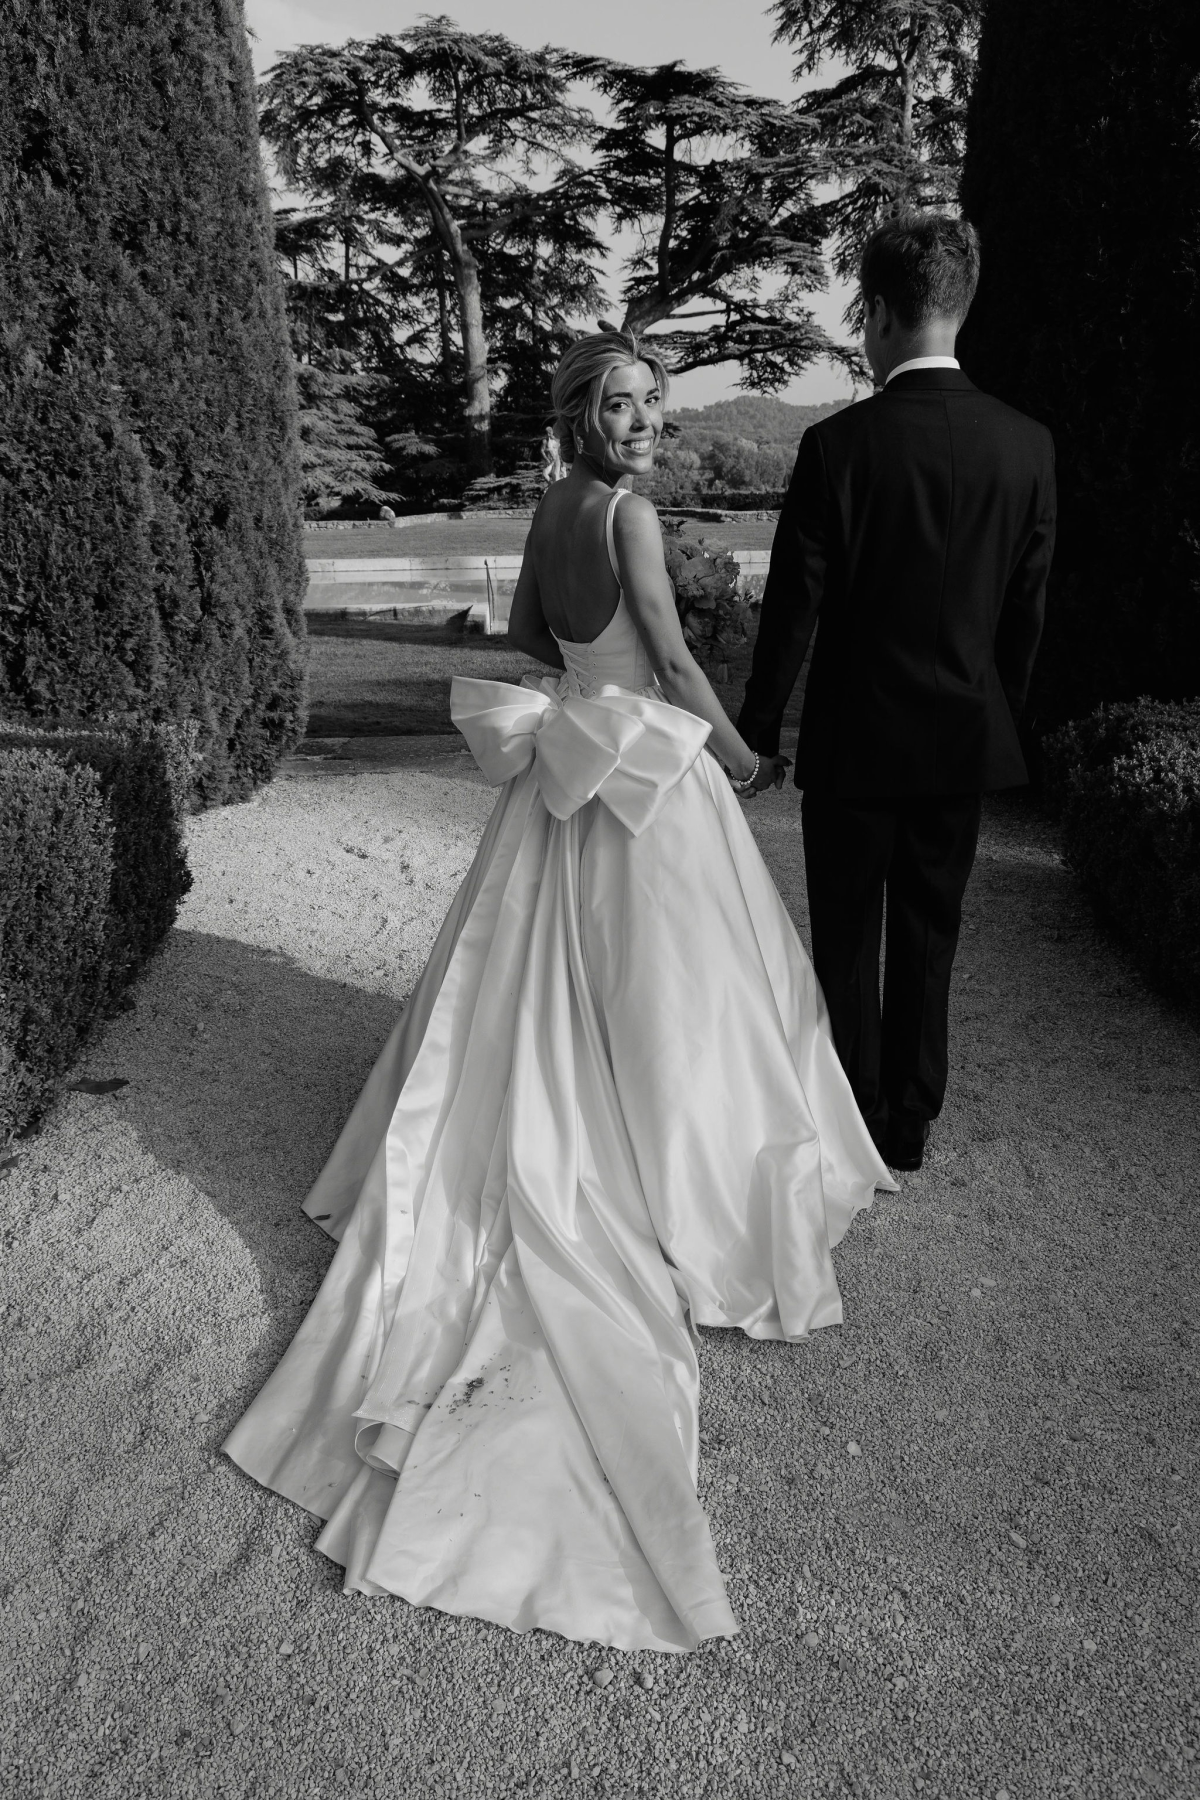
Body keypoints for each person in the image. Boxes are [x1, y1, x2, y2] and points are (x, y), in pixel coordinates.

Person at [224, 330, 893, 1656]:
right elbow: (679, 667)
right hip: (649, 772)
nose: (644, 423)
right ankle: (677, 1179)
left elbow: (532, 632)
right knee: (684, 994)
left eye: (653, 404)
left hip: (563, 772)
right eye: (623, 404)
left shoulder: (550, 507)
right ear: (586, 414)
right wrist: (743, 755)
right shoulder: (632, 517)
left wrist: (587, 685)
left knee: (540, 979)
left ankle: (587, 1135)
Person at [738, 213, 1056, 1174]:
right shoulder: (1028, 445)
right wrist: (998, 719)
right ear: (963, 307)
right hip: (962, 736)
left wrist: (759, 729)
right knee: (931, 929)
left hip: (853, 737)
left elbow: (793, 607)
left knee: (846, 931)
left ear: (876, 313)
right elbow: (1026, 613)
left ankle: (851, 1112)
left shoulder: (838, 445)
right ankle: (908, 1122)